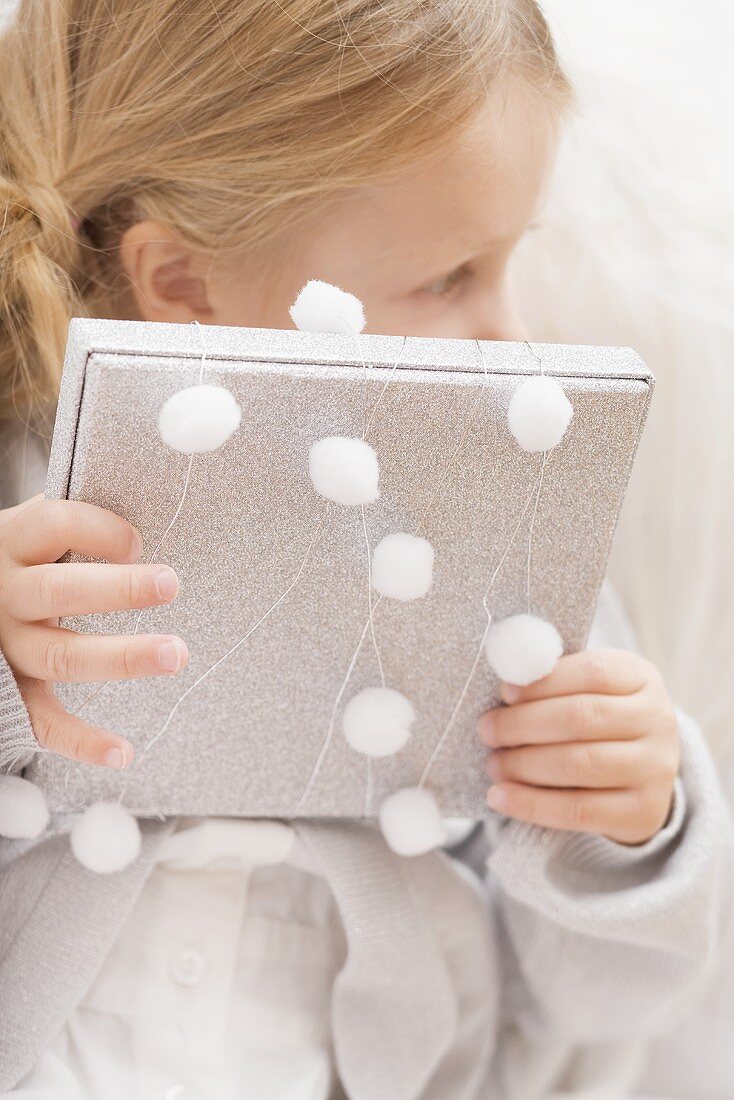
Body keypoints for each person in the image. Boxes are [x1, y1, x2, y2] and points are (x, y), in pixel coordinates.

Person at [0, 2, 731, 1097]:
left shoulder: (506, 530)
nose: (511, 335)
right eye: (448, 278)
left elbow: (591, 1004)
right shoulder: (23, 511)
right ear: (182, 282)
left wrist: (629, 823)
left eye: (507, 261)